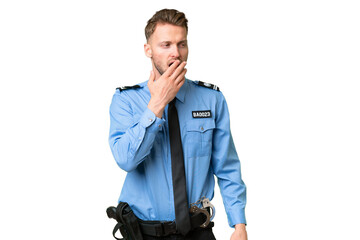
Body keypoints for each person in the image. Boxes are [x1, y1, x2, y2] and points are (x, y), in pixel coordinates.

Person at [108, 9, 247, 240]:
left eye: (182, 44)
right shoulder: (125, 101)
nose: (176, 53)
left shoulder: (211, 100)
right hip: (143, 233)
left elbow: (227, 168)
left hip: (198, 231)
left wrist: (239, 225)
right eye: (166, 45)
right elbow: (126, 160)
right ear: (148, 50)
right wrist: (157, 104)